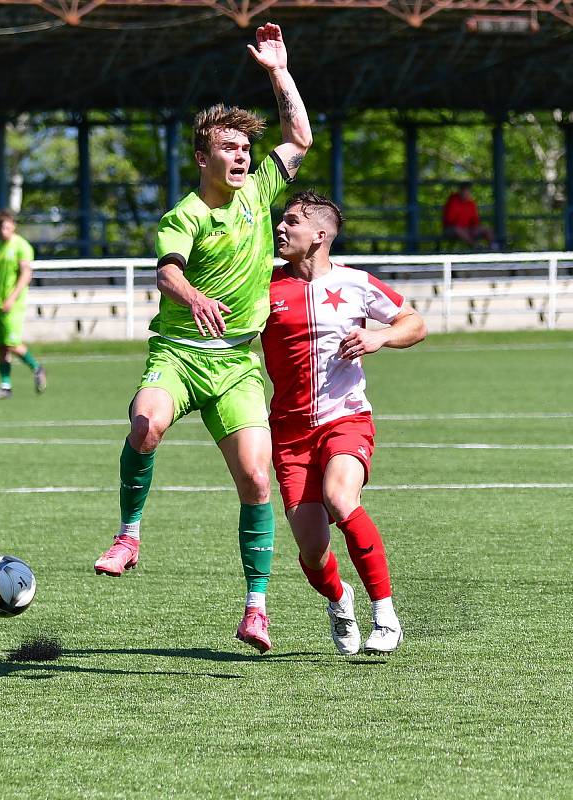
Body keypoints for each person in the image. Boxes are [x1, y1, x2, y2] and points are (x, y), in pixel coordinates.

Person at [94, 22, 312, 654]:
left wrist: (278, 72)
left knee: (257, 481)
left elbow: (299, 136)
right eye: (229, 146)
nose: (242, 155)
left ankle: (256, 608)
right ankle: (129, 535)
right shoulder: (186, 214)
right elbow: (166, 270)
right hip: (180, 354)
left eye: (246, 146)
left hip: (237, 365)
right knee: (145, 427)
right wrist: (191, 296)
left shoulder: (261, 191)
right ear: (202, 157)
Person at [261, 190, 427, 655]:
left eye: (290, 221)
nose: (280, 228)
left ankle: (386, 615)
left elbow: (415, 322)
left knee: (340, 498)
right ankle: (339, 598)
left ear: (319, 235)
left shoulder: (355, 283)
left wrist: (381, 337)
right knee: (312, 551)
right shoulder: (264, 285)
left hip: (346, 419)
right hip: (290, 434)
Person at [0, 210, 46, 399]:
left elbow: (26, 274)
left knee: (11, 343)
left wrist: (12, 298)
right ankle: (6, 386)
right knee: (1, 346)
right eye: (0, 226)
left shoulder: (22, 246)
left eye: (7, 226)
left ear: (13, 225)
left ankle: (37, 368)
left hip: (14, 304)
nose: (4, 230)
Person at [442, 181, 496, 249]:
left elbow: (475, 220)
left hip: (467, 228)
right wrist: (463, 228)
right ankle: (476, 246)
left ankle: (494, 247)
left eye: (468, 191)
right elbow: (449, 220)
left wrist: (474, 227)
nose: (466, 193)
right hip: (451, 230)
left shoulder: (471, 203)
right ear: (460, 191)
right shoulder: (452, 201)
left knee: (486, 228)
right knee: (458, 230)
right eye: (464, 191)